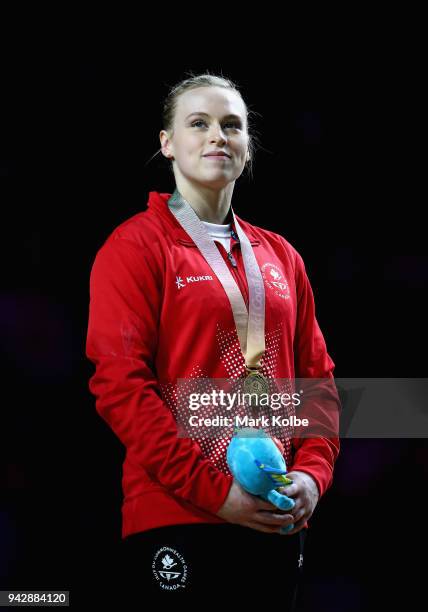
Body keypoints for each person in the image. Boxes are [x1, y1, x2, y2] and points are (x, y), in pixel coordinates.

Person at [85, 72, 340, 607]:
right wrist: (216, 493)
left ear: (248, 147)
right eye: (198, 124)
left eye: (232, 125)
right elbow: (120, 386)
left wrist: (313, 477)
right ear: (167, 143)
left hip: (275, 519)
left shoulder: (281, 257)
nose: (217, 136)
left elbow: (317, 381)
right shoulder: (136, 247)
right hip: (179, 513)